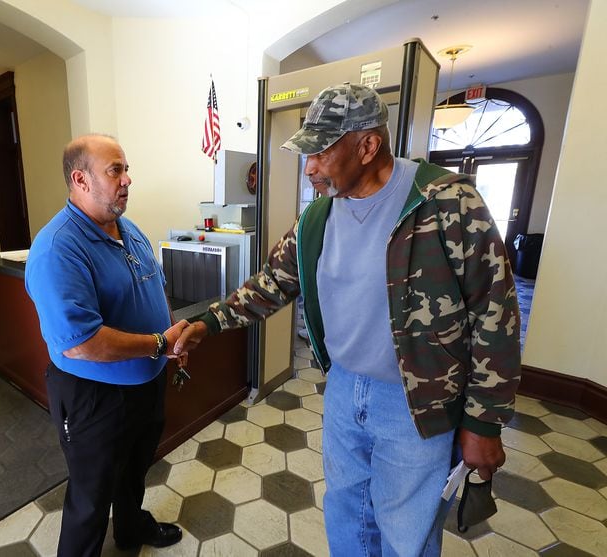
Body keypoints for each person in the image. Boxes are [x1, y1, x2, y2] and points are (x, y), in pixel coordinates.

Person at [175, 83, 521, 556]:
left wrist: (485, 421)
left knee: (406, 530)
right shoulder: (317, 217)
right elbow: (273, 281)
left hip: (415, 401)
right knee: (348, 513)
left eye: (320, 152)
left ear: (367, 145)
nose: (309, 167)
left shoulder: (445, 201)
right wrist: (209, 322)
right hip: (343, 391)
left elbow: (495, 313)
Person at [25, 134, 187, 556]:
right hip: (94, 397)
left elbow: (156, 286)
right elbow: (80, 343)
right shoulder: (57, 248)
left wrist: (168, 339)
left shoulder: (129, 228)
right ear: (80, 179)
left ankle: (131, 530)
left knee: (134, 472)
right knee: (91, 497)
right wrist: (157, 342)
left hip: (146, 382)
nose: (127, 179)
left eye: (126, 168)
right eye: (115, 170)